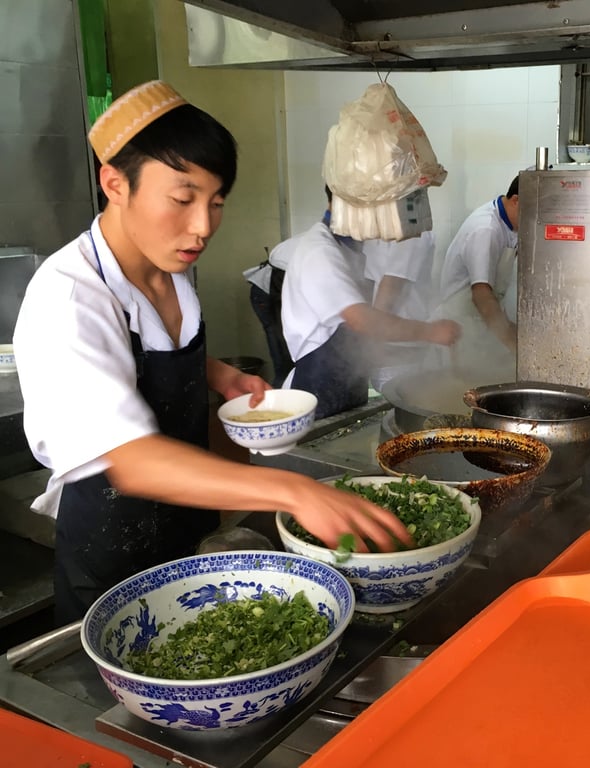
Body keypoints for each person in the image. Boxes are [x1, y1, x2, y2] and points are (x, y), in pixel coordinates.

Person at [13, 81, 411, 624]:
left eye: (215, 202)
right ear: (115, 183)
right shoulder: (71, 294)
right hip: (110, 547)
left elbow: (139, 354)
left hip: (180, 523)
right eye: (182, 199)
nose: (202, 227)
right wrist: (292, 492)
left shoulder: (167, 271)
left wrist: (217, 374)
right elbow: (130, 461)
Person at [279, 187, 460, 419]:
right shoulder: (320, 252)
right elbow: (360, 319)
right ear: (342, 203)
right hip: (316, 395)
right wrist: (431, 332)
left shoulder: (350, 248)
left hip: (347, 389)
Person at [431, 175, 520, 378]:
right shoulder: (486, 229)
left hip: (480, 324)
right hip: (460, 330)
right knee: (462, 393)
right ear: (516, 200)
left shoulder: (510, 225)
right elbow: (481, 295)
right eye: (534, 212)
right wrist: (513, 346)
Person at [362, 230, 436, 391]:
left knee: (396, 402)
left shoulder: (412, 227)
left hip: (400, 348)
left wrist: (372, 345)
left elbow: (392, 286)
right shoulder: (376, 226)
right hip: (380, 341)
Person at [243, 252, 291, 387]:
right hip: (267, 293)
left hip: (276, 290)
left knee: (285, 346)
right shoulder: (319, 248)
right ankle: (282, 393)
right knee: (282, 351)